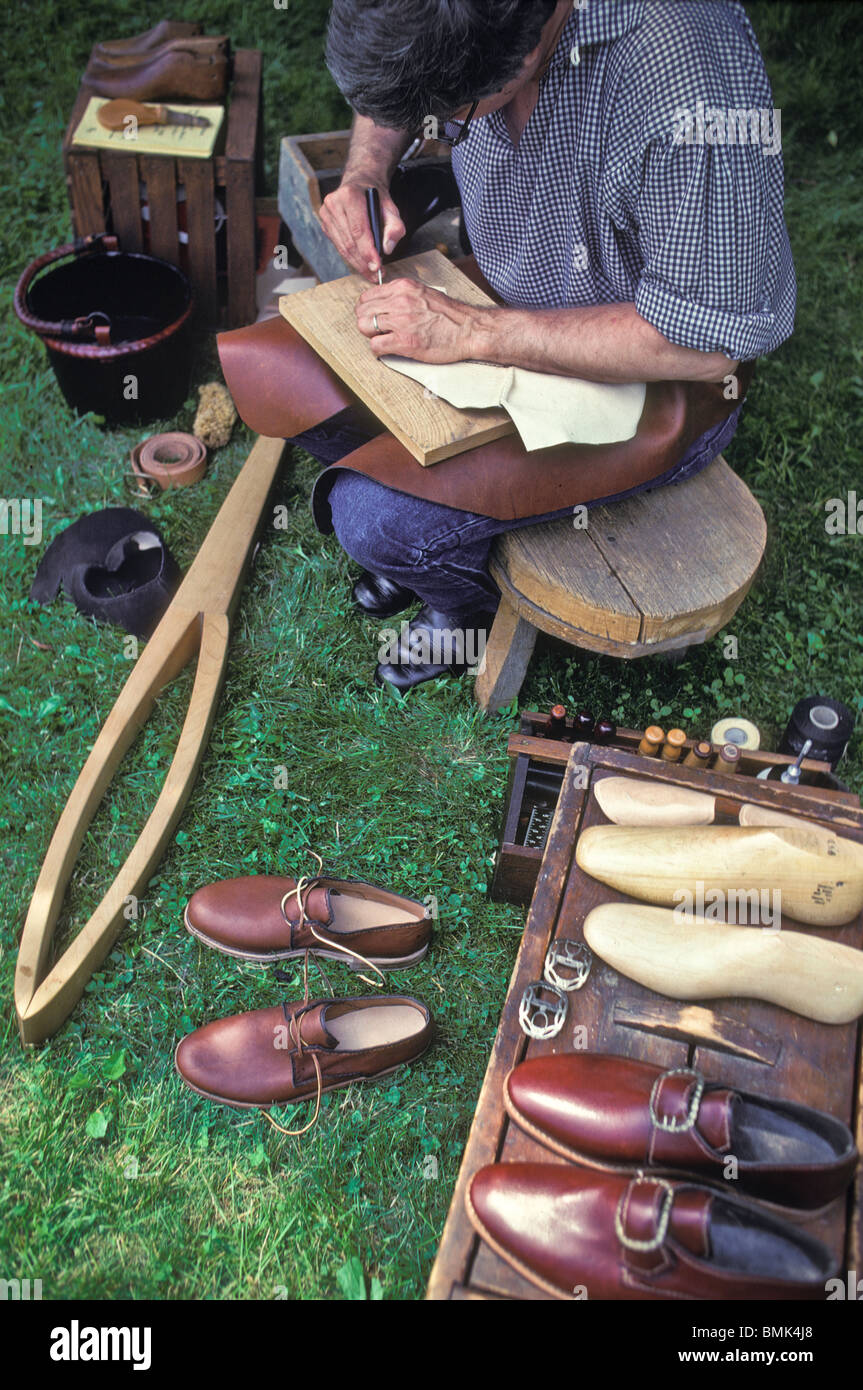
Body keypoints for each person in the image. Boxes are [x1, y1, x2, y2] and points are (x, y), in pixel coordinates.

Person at [297, 0, 795, 691]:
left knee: (372, 519)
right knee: (303, 380)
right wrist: (367, 169)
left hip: (648, 375)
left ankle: (460, 608)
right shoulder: (474, 28)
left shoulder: (687, 85)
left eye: (448, 113)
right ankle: (444, 547)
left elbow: (706, 342)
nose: (433, 126)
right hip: (503, 293)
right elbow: (412, 56)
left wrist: (473, 333)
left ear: (524, 53)